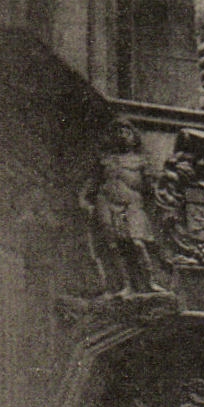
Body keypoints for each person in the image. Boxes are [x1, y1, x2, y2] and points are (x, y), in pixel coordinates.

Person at [82, 122, 165, 297]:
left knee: (137, 242)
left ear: (134, 136)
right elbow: (91, 184)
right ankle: (124, 284)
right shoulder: (105, 159)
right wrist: (85, 201)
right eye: (118, 131)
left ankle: (150, 281)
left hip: (132, 203)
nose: (122, 134)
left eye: (126, 131)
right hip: (105, 201)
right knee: (114, 245)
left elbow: (152, 187)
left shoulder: (142, 160)